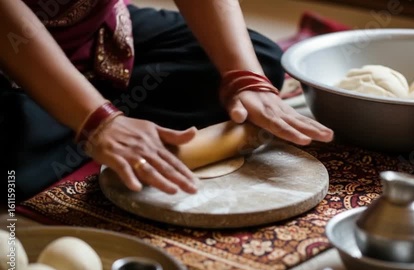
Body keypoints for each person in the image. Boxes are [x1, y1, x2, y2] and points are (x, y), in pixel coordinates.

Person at [0, 0, 333, 201]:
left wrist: (244, 77)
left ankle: (81, 121)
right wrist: (96, 120)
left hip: (101, 39)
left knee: (261, 59)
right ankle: (87, 119)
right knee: (13, 140)